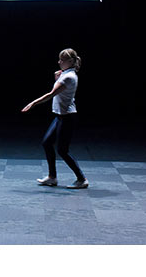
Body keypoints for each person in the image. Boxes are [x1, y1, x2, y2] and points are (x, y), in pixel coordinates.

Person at [22, 48, 89, 189]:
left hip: (67, 117)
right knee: (47, 143)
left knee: (63, 150)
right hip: (60, 116)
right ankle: (52, 177)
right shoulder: (66, 74)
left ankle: (82, 179)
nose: (59, 62)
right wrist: (57, 79)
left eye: (62, 60)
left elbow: (51, 94)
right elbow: (60, 92)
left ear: (70, 61)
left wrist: (33, 103)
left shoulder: (69, 77)